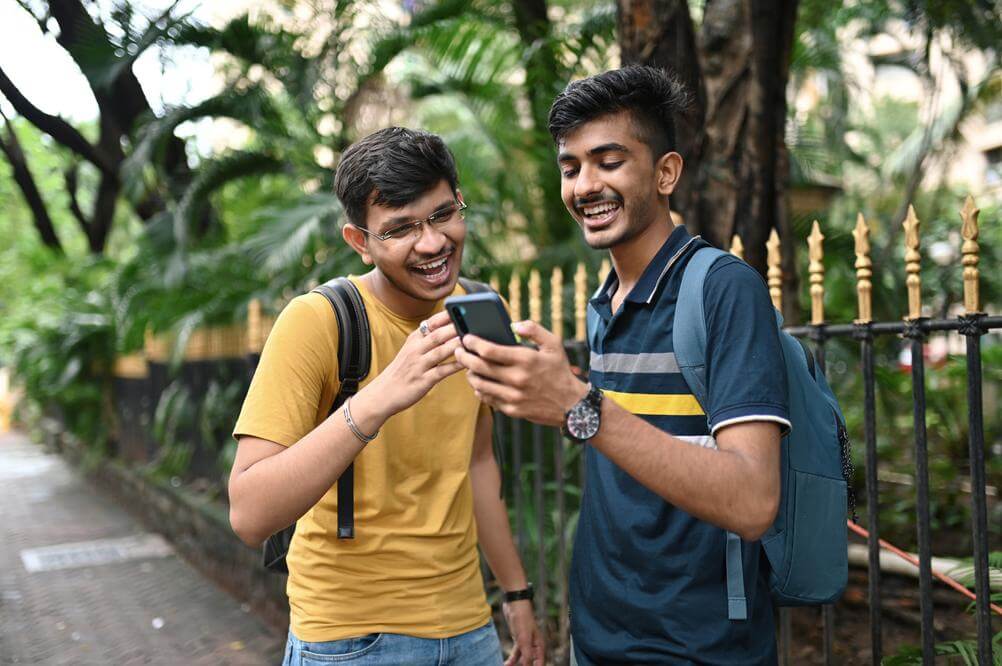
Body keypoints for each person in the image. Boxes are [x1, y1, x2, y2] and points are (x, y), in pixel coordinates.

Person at [454, 67, 791, 664]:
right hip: (600, 635)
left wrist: (578, 407)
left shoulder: (723, 289)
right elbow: (631, 448)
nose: (585, 185)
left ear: (666, 173)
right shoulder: (603, 303)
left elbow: (752, 502)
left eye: (608, 162)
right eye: (570, 167)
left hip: (699, 645)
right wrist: (554, 398)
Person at [228, 127, 544, 666]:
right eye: (401, 229)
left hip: (471, 628)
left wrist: (515, 594)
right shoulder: (318, 322)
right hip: (353, 638)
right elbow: (250, 513)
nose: (433, 243)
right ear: (360, 241)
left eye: (443, 215)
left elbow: (478, 461)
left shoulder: (478, 307)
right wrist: (379, 398)